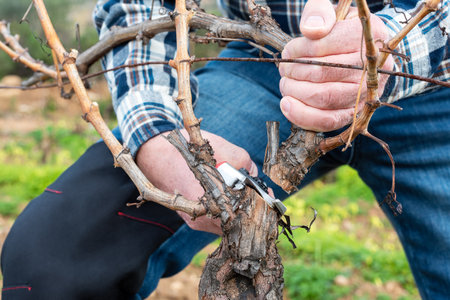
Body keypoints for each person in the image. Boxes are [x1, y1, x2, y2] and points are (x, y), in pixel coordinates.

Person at [1, 0, 448, 299]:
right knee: (56, 257)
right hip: (266, 64)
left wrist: (388, 48)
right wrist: (158, 136)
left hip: (434, 78)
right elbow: (140, 8)